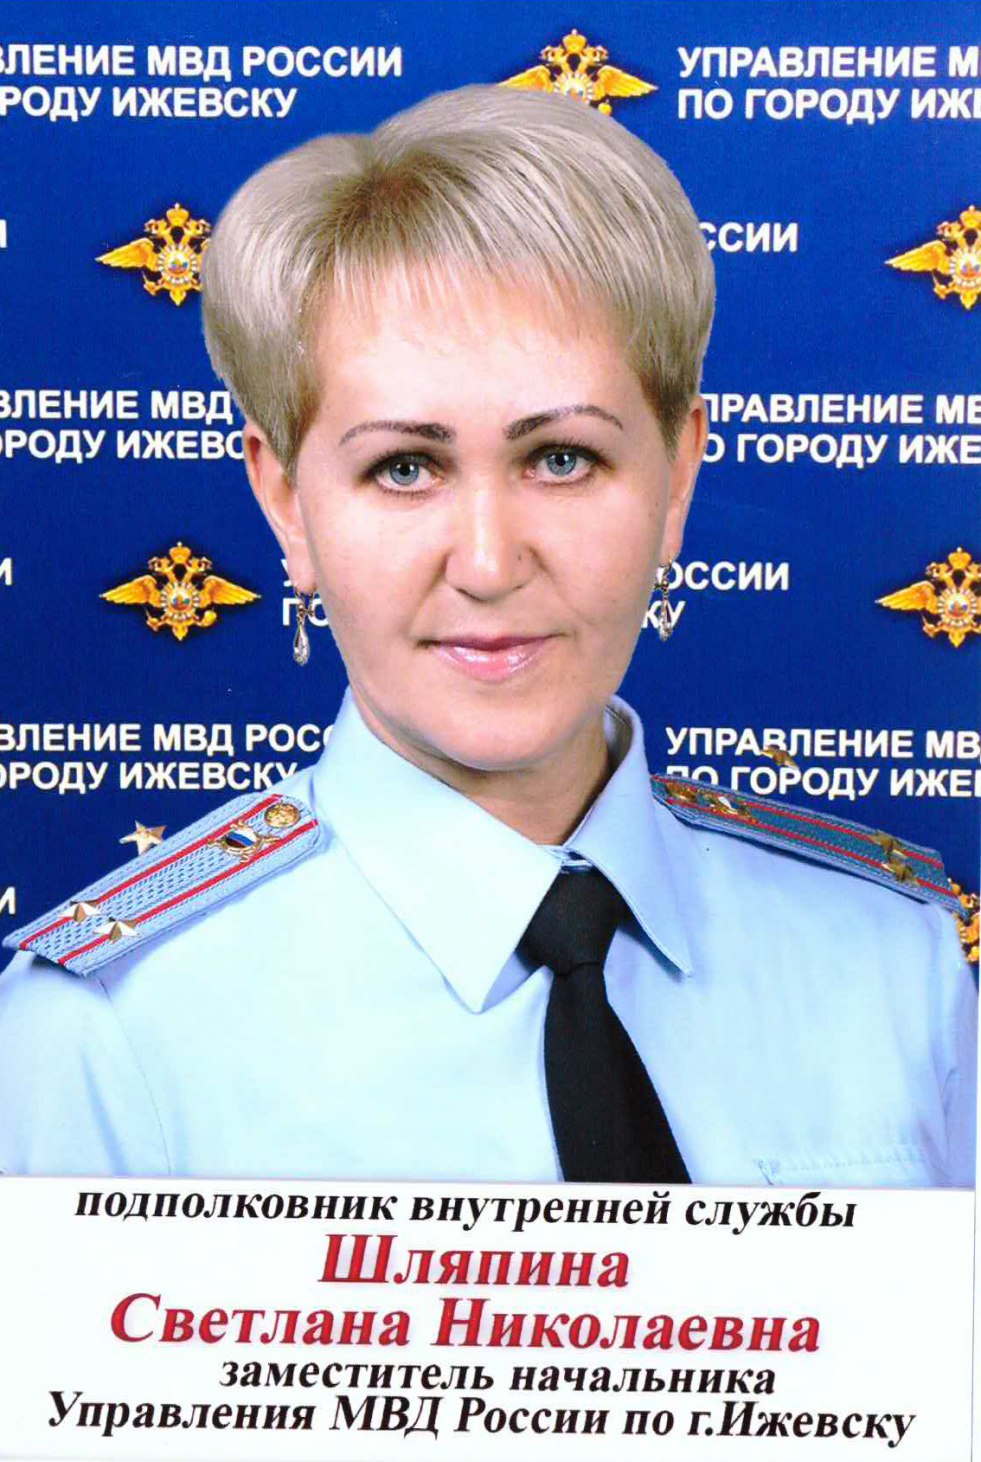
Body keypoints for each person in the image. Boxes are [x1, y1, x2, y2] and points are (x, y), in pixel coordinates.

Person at [0, 86, 974, 1185]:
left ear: (676, 478)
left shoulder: (897, 968)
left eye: (562, 458)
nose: (488, 562)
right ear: (286, 504)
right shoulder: (106, 1031)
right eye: (403, 468)